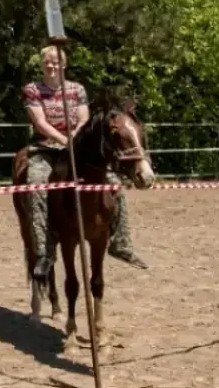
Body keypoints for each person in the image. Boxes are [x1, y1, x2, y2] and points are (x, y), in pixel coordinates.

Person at [22, 45, 147, 278]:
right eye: (47, 61)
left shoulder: (77, 89)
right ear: (41, 64)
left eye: (56, 62)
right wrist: (63, 140)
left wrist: (75, 140)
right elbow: (40, 123)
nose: (51, 66)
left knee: (113, 184)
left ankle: (121, 244)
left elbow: (83, 118)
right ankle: (44, 252)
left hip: (76, 147)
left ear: (64, 65)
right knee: (36, 185)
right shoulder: (32, 90)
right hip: (46, 148)